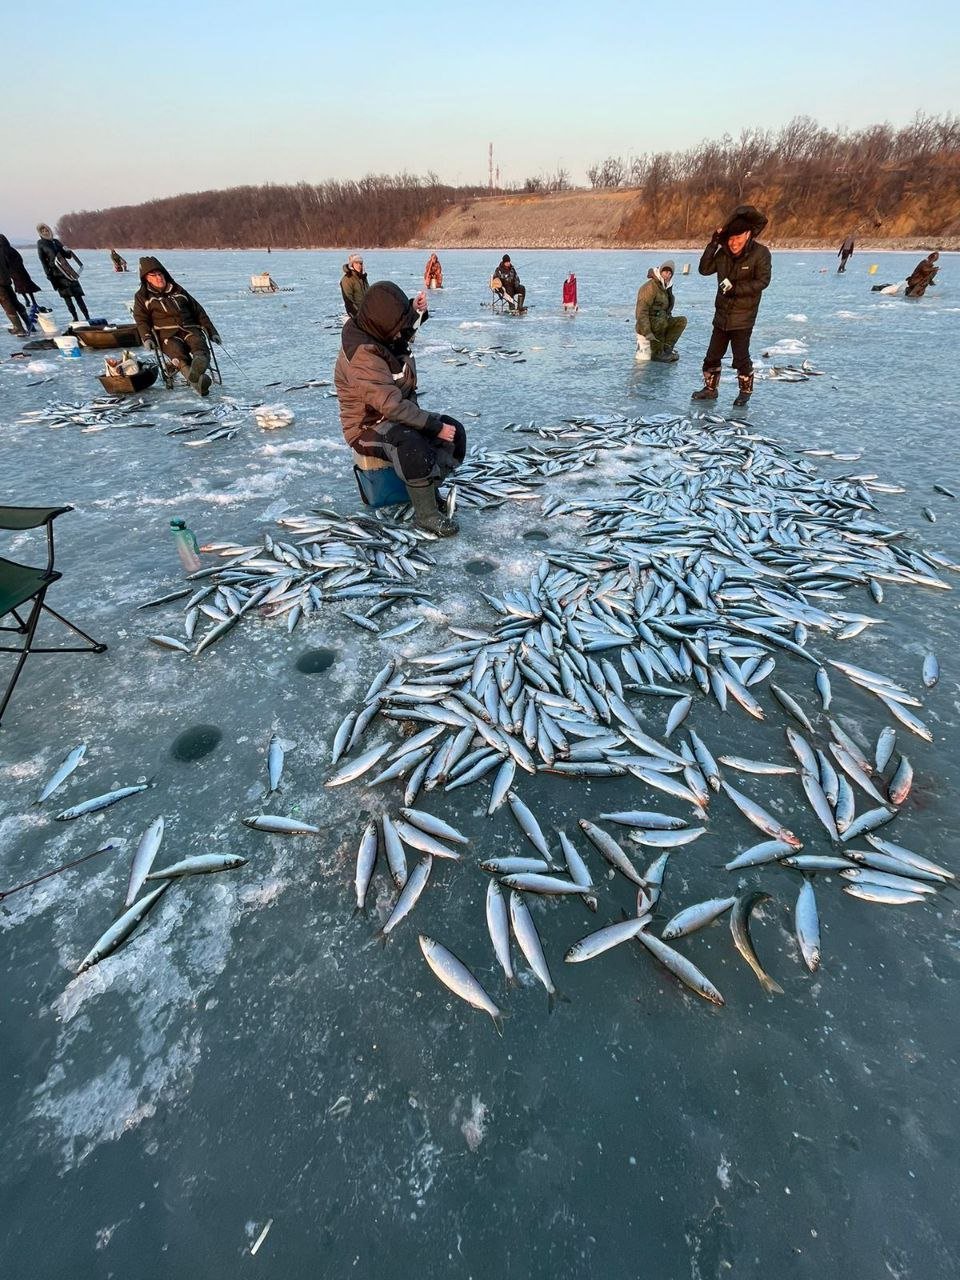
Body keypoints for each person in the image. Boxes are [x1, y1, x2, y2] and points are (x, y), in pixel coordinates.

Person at [334, 280, 464, 537]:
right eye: (395, 327)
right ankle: (425, 515)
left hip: (396, 415)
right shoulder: (363, 355)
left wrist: (415, 312)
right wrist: (433, 426)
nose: (400, 334)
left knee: (455, 433)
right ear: (382, 326)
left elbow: (399, 333)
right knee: (412, 443)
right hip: (367, 425)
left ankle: (426, 492)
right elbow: (390, 405)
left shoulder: (377, 332)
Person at [691, 205, 772, 408]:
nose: (733, 243)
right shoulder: (723, 254)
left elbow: (763, 282)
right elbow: (703, 269)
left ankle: (745, 391)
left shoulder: (760, 253)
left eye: (737, 238)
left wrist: (736, 288)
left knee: (741, 358)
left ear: (747, 235)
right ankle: (710, 389)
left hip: (743, 317)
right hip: (722, 315)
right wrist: (713, 244)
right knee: (712, 356)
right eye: (730, 239)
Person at [133, 256, 221, 396]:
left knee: (198, 343)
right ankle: (198, 384)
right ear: (146, 278)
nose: (159, 278)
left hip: (190, 328)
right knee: (177, 352)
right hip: (166, 334)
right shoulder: (142, 296)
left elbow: (198, 311)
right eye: (153, 275)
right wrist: (147, 337)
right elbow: (141, 319)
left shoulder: (178, 290)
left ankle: (196, 370)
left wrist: (212, 332)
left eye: (160, 274)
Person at [36, 223, 90, 322]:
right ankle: (75, 318)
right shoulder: (41, 244)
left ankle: (87, 317)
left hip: (68, 271)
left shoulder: (56, 242)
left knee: (78, 295)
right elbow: (43, 261)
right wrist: (49, 275)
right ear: (40, 233)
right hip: (56, 273)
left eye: (46, 230)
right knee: (67, 297)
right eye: (43, 231)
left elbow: (67, 256)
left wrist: (68, 251)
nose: (45, 232)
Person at [635, 260, 686, 362]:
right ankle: (657, 353)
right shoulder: (650, 287)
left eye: (670, 273)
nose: (668, 275)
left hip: (661, 319)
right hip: (647, 323)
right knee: (661, 322)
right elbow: (641, 312)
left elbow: (666, 308)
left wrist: (668, 316)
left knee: (681, 321)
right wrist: (647, 331)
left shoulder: (666, 286)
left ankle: (666, 348)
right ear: (660, 271)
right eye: (666, 272)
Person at [0, 235, 34, 335]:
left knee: (7, 304)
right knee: (14, 301)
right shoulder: (5, 250)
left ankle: (19, 328)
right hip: (6, 280)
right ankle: (28, 324)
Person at [340, 253, 369, 318]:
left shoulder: (363, 278)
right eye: (356, 263)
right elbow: (348, 300)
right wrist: (357, 315)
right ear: (351, 264)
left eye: (360, 263)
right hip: (356, 314)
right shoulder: (347, 279)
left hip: (366, 311)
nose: (359, 265)